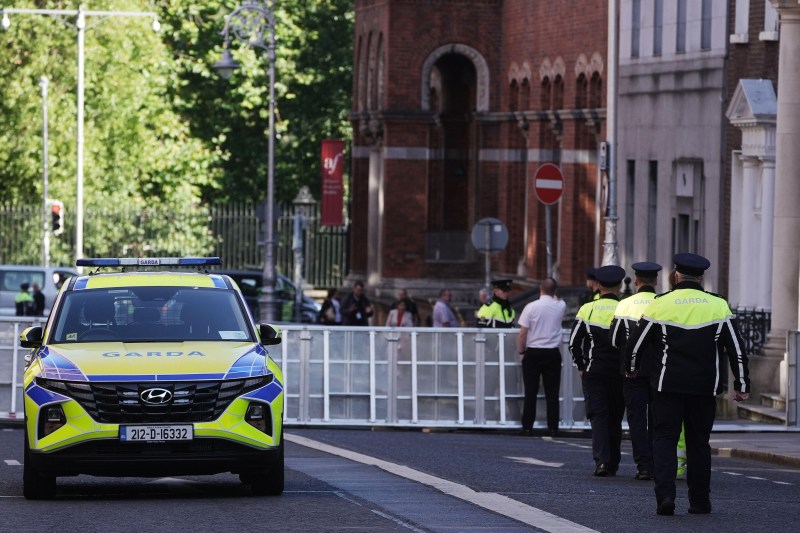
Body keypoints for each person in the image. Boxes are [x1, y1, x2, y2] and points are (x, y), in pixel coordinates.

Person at [624, 253, 750, 516]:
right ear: (701, 277)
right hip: (704, 388)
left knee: (664, 439)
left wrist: (632, 368)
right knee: (699, 444)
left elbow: (635, 343)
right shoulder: (718, 306)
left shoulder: (661, 304)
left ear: (677, 275)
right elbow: (736, 349)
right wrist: (742, 383)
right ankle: (700, 501)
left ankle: (666, 497)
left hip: (666, 385)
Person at [568, 265, 626, 477]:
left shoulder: (587, 309)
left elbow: (574, 342)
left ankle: (602, 461)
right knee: (615, 417)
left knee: (598, 416)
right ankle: (614, 462)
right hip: (620, 372)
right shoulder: (624, 308)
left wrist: (581, 366)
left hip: (595, 370)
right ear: (619, 286)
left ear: (599, 285)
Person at [610, 261, 662, 481]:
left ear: (637, 281)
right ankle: (659, 463)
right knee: (659, 418)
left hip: (632, 370)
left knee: (637, 418)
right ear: (656, 281)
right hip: (660, 370)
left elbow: (614, 340)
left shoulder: (624, 304)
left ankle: (643, 466)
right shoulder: (663, 303)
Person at [516, 277, 566, 437]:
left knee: (530, 391)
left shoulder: (531, 307)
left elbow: (523, 333)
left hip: (533, 352)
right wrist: (553, 293)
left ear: (540, 289)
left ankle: (527, 427)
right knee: (552, 392)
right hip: (552, 353)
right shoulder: (560, 306)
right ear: (555, 291)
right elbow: (557, 299)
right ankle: (553, 427)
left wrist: (521, 352)